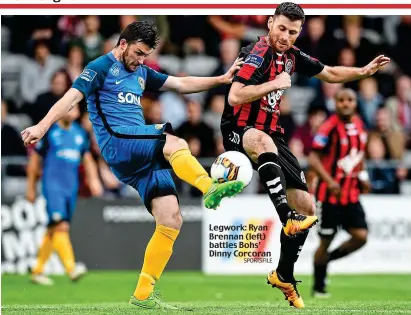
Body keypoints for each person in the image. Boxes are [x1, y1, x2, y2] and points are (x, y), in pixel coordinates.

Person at [21, 21, 245, 309]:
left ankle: (142, 295)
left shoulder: (140, 71)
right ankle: (209, 187)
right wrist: (41, 126)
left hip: (137, 157)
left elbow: (180, 83)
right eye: (138, 53)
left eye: (145, 56)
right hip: (118, 142)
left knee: (171, 218)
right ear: (123, 44)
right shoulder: (100, 67)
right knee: (174, 142)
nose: (141, 60)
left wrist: (222, 79)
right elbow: (70, 98)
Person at [221, 2, 389, 308]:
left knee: (307, 205)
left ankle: (283, 275)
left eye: (293, 32)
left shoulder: (292, 56)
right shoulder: (256, 54)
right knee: (264, 145)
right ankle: (287, 217)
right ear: (270, 23)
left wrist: (363, 71)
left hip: (273, 134)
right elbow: (234, 95)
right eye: (281, 28)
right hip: (240, 129)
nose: (285, 36)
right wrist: (274, 83)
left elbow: (330, 72)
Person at [27, 103, 103, 285]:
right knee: (61, 226)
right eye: (68, 108)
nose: (71, 111)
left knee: (54, 228)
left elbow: (87, 158)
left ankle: (37, 271)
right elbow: (35, 159)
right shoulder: (50, 131)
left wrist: (94, 180)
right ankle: (71, 268)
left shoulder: (80, 133)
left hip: (71, 188)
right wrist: (30, 187)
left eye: (74, 108)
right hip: (53, 186)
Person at [308, 88, 370, 297]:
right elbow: (313, 158)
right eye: (341, 100)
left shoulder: (360, 125)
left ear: (355, 102)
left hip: (351, 194)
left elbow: (358, 156)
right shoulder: (329, 127)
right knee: (326, 240)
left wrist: (364, 177)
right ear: (335, 103)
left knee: (361, 236)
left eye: (349, 100)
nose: (345, 103)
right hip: (329, 195)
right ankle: (318, 286)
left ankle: (327, 260)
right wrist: (330, 181)